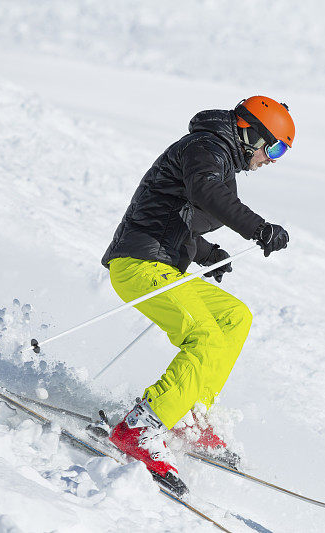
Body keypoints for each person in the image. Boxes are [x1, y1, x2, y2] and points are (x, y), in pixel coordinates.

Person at [100, 96, 294, 477]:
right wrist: (258, 228)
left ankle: (190, 415)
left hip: (162, 263)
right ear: (249, 133)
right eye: (274, 147)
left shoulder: (217, 158)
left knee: (233, 317)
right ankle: (140, 427)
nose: (272, 158)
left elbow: (176, 211)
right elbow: (206, 194)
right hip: (139, 264)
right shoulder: (205, 147)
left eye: (282, 152)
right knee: (203, 335)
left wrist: (205, 252)